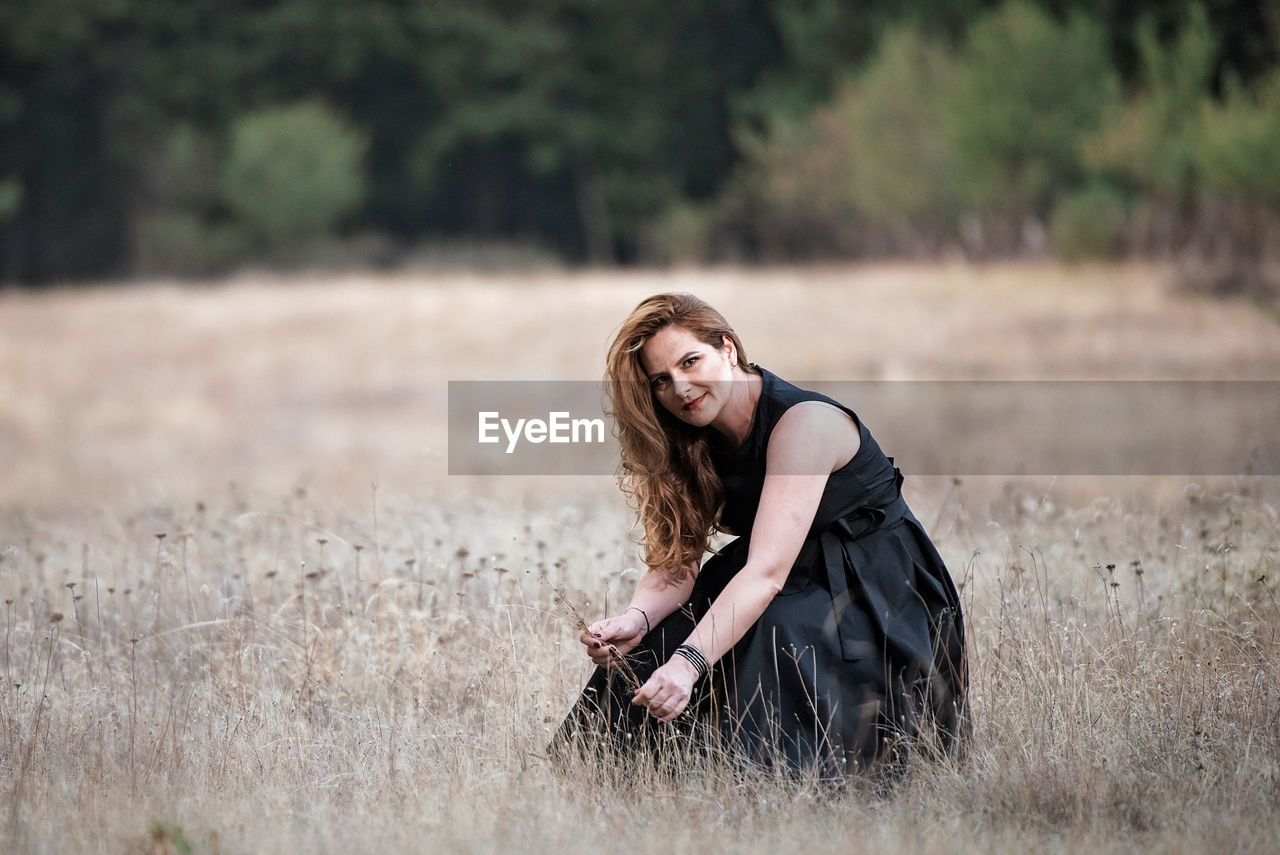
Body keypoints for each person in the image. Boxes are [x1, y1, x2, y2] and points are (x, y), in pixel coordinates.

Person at [553, 293, 966, 777]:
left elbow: (766, 574)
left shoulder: (804, 422)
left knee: (776, 630)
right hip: (776, 570)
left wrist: (689, 665)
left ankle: (770, 782)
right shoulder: (686, 437)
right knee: (664, 636)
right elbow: (674, 563)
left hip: (873, 588)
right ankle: (614, 777)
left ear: (727, 348)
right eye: (661, 381)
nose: (681, 389)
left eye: (691, 362)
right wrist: (637, 618)